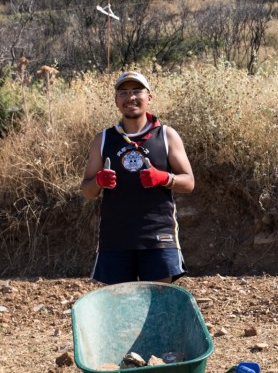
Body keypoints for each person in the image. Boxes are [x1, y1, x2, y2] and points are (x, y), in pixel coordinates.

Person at [81, 70, 195, 284]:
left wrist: (163, 178)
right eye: (123, 93)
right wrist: (98, 181)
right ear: (116, 100)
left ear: (148, 97)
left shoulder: (167, 135)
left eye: (136, 91)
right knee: (121, 309)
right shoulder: (103, 139)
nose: (130, 97)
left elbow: (189, 182)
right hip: (115, 240)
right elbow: (87, 191)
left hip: (159, 238)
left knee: (158, 306)